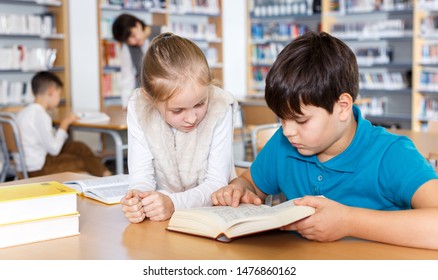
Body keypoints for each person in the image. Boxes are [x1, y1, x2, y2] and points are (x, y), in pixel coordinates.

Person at [211, 31, 438, 250]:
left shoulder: (392, 155)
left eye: (301, 121)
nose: (288, 131)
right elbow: (252, 184)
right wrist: (239, 189)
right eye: (282, 119)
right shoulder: (285, 144)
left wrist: (349, 222)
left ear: (342, 108)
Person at [121, 33, 237, 222]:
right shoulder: (139, 106)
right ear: (150, 98)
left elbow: (216, 184)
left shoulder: (221, 105)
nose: (191, 118)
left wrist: (173, 204)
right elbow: (142, 175)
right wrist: (138, 199)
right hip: (164, 223)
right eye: (177, 110)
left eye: (200, 104)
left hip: (214, 218)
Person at [15, 71, 111, 177]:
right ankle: (107, 177)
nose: (59, 98)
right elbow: (54, 150)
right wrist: (65, 124)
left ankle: (104, 173)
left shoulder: (24, 112)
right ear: (50, 91)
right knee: (82, 162)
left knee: (79, 147)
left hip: (29, 163)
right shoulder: (41, 116)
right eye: (59, 94)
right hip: (38, 169)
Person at [112, 13, 163, 108]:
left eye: (133, 35)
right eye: (128, 41)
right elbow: (127, 76)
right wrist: (126, 105)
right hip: (145, 97)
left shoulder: (163, 33)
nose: (132, 42)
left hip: (166, 92)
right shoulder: (127, 48)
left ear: (138, 25)